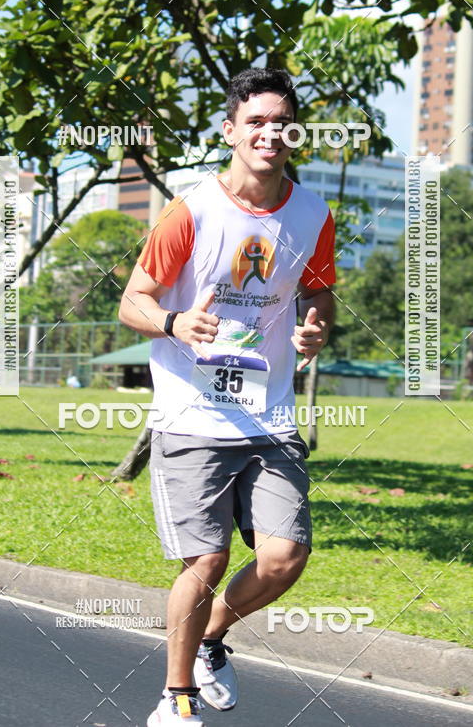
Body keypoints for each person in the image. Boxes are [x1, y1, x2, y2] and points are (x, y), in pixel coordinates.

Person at [119, 68, 336, 726]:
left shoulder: (312, 214)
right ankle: (175, 697)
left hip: (269, 414)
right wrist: (176, 322)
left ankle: (209, 638)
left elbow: (318, 290)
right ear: (231, 131)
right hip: (192, 413)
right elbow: (133, 301)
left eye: (281, 122)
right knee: (207, 558)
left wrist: (316, 321)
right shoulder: (190, 212)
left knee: (283, 557)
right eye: (256, 121)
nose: (269, 132)